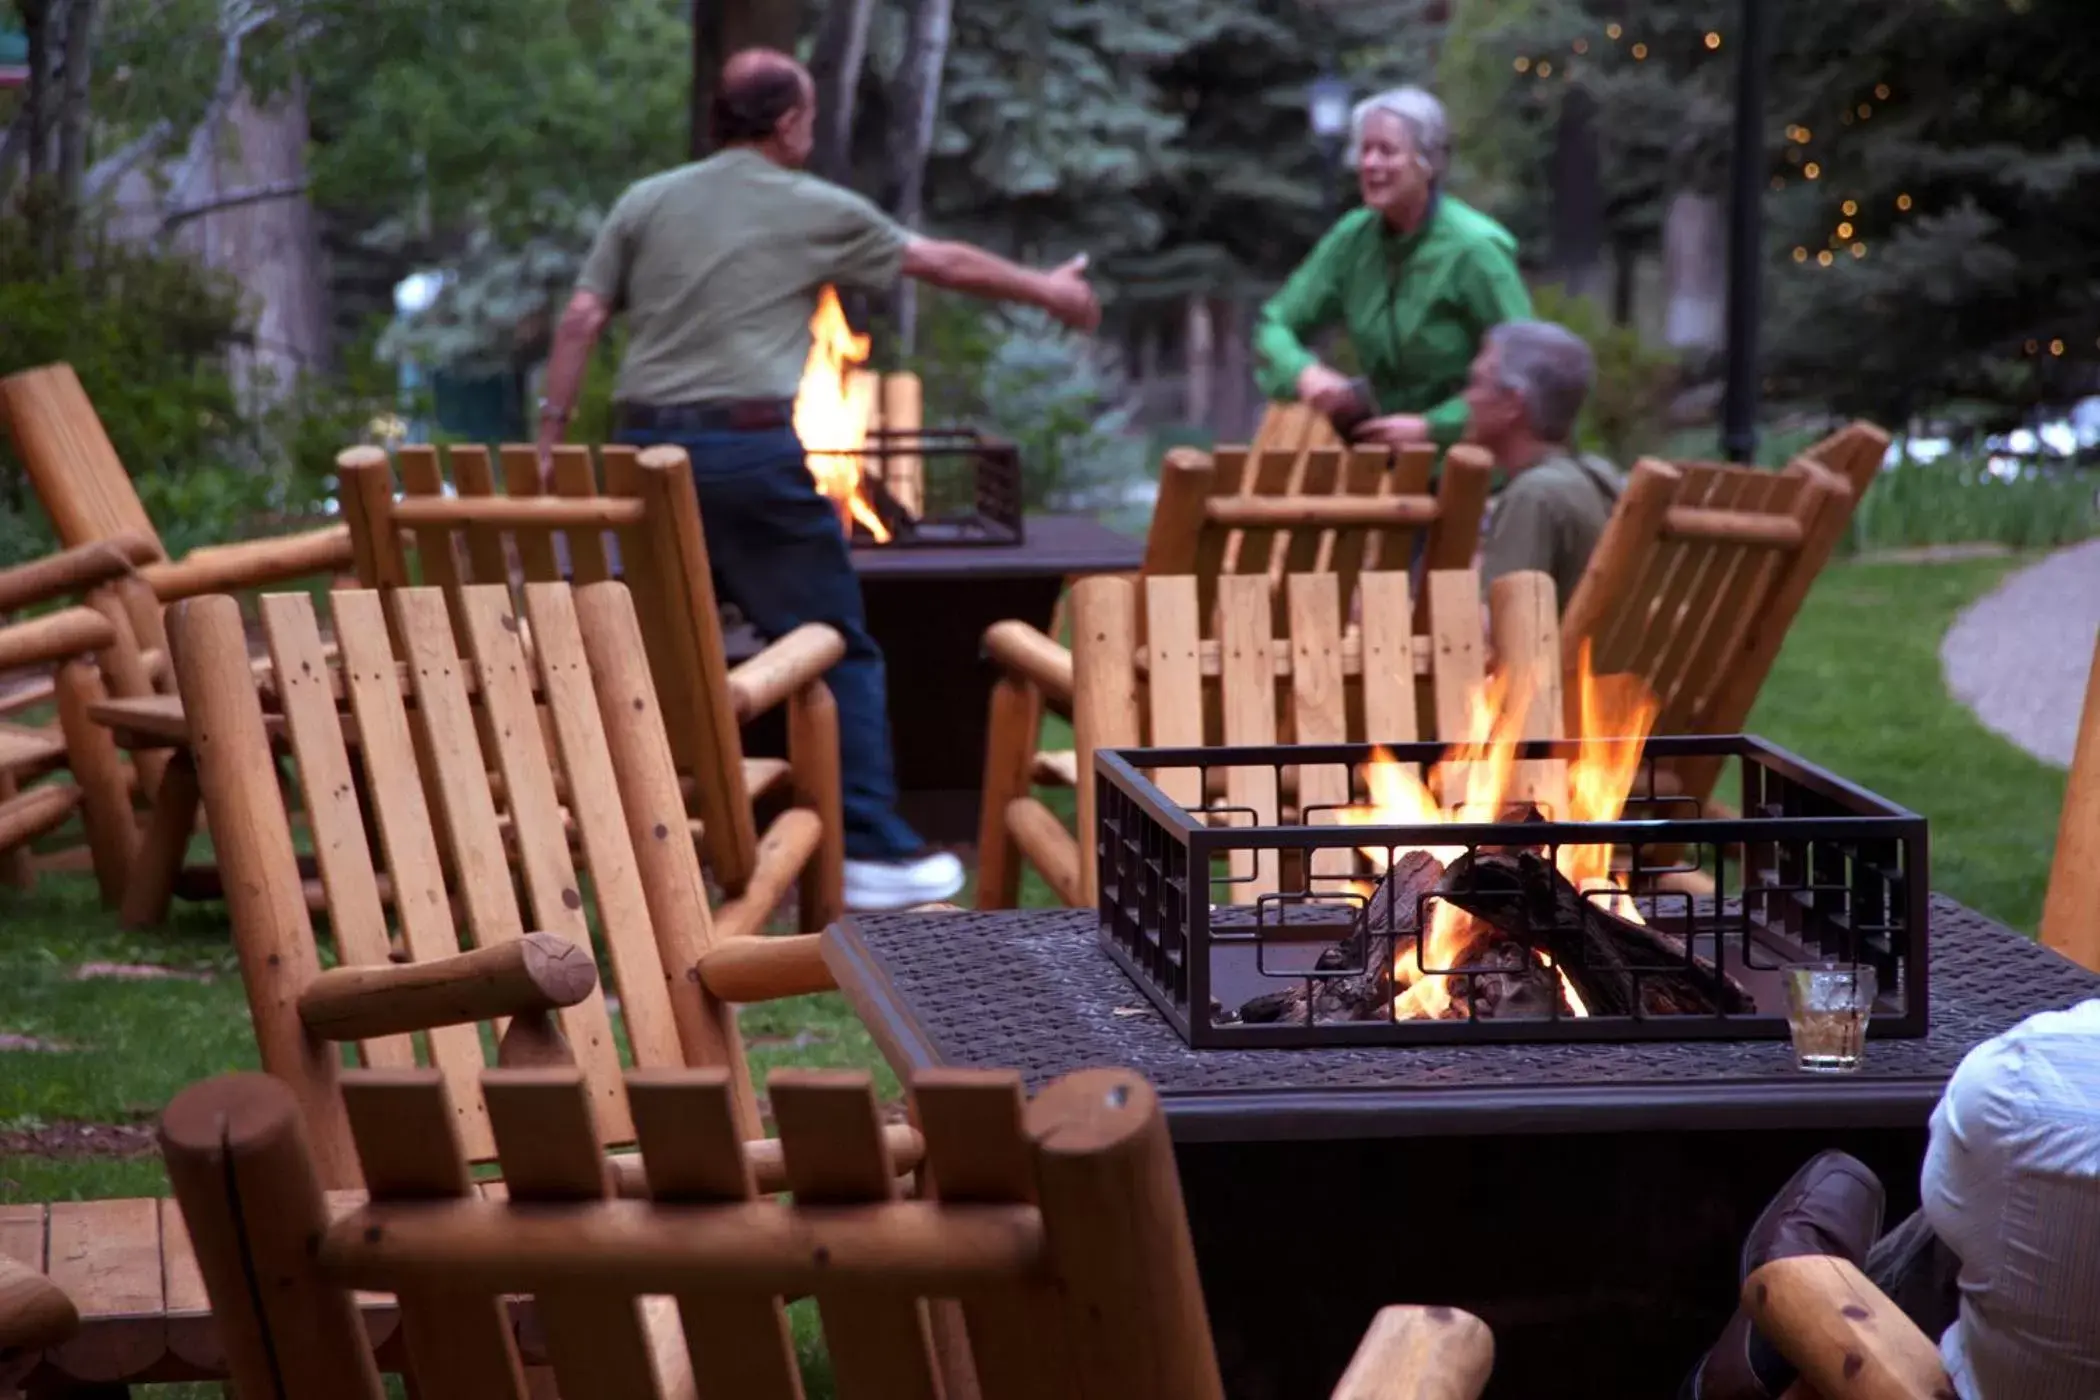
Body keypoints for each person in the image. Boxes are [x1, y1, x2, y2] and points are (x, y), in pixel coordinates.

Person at [535, 48, 1100, 911]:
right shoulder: (811, 206)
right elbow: (943, 263)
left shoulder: (646, 200)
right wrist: (1049, 293)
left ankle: (645, 834)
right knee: (837, 641)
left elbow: (581, 317)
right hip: (745, 457)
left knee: (667, 644)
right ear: (791, 123)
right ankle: (871, 848)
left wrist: (550, 434)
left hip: (639, 452)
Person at [1683, 997, 2100, 1400]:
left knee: (1979, 1202)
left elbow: (1946, 1174)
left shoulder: (2028, 1083)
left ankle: (1755, 1361)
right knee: (2002, 1203)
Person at [1254, 86, 1533, 452]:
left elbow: (1524, 371)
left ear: (1428, 162)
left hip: (1476, 470)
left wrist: (1432, 427)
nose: (1369, 164)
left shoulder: (1475, 249)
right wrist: (1303, 372)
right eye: (1364, 150)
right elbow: (1274, 325)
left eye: (1386, 151)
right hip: (1386, 467)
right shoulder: (1351, 241)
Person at [1463, 320, 1622, 613]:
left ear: (1512, 404)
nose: (1466, 398)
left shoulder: (1535, 495)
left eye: (1476, 383)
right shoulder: (1598, 477)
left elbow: (1496, 633)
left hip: (1549, 659)